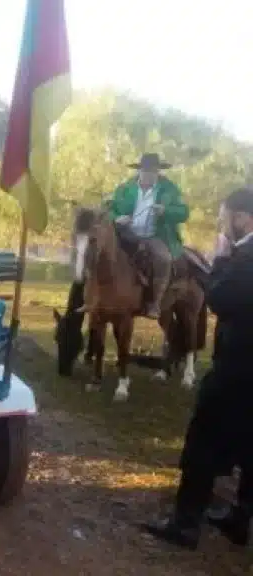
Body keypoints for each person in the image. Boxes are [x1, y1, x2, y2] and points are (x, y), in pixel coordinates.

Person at [141, 187, 253, 550]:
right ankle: (240, 518)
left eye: (224, 218)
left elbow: (222, 299)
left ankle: (185, 524)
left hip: (238, 367)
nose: (222, 225)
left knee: (202, 441)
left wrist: (219, 260)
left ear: (241, 218)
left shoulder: (246, 256)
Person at [108, 153, 188, 319]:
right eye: (147, 171)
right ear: (140, 171)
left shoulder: (170, 190)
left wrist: (166, 211)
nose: (150, 174)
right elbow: (107, 209)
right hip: (126, 234)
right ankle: (92, 297)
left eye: (154, 171)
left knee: (164, 259)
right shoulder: (124, 189)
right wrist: (117, 218)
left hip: (154, 236)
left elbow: (184, 213)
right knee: (99, 250)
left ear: (158, 171)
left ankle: (154, 303)